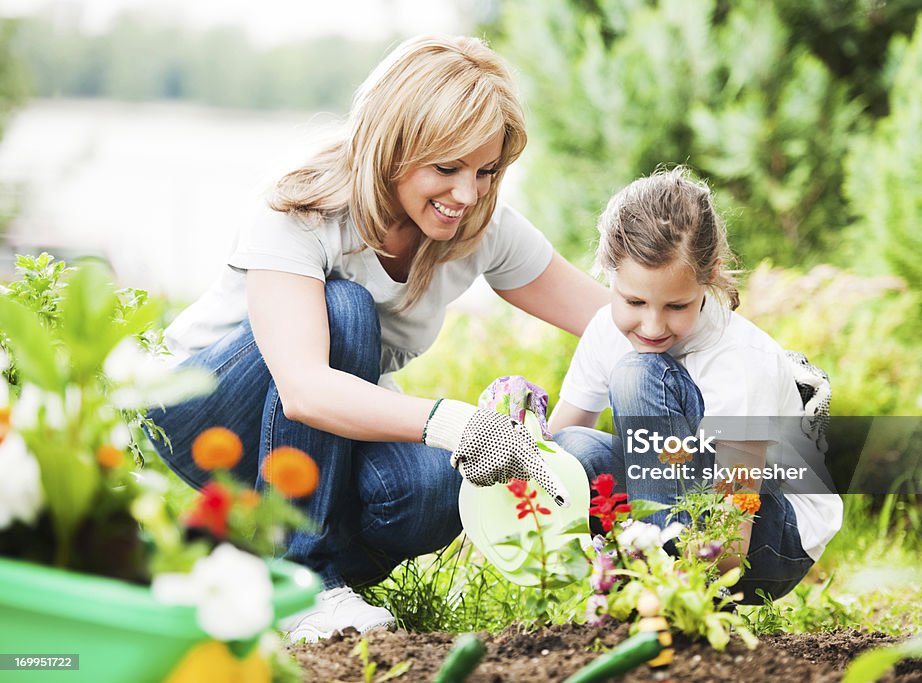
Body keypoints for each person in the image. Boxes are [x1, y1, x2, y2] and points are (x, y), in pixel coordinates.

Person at [149, 35, 608, 640]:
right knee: (345, 310)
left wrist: (739, 350)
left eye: (485, 170)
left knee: (439, 484)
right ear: (393, 147)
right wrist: (465, 425)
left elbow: (611, 318)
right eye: (446, 168)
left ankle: (269, 566)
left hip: (313, 442)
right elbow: (306, 390)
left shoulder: (477, 221)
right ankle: (301, 584)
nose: (466, 194)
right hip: (202, 413)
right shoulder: (304, 204)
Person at [548, 167, 842, 603]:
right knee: (574, 451)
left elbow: (733, 539)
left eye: (676, 305)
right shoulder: (605, 329)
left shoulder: (740, 363)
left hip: (769, 536)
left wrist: (678, 575)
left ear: (710, 277)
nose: (651, 325)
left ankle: (665, 593)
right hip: (683, 503)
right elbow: (552, 452)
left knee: (639, 373)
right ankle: (644, 579)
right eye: (633, 301)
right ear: (609, 275)